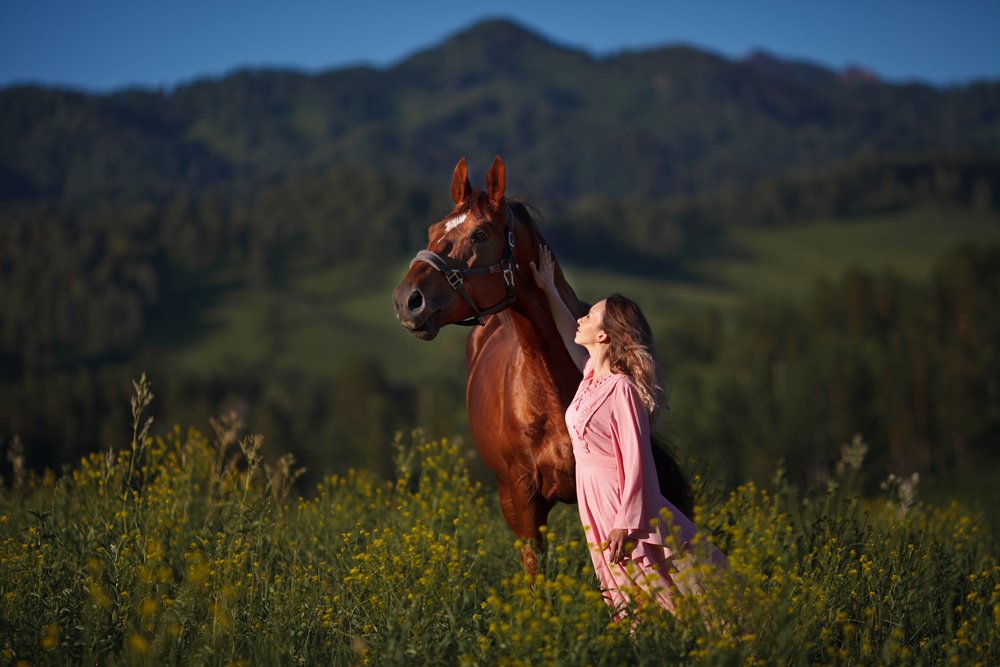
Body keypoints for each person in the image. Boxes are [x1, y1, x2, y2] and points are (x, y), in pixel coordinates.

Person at [530, 244, 726, 617]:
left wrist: (625, 523)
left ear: (604, 336)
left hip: (620, 503)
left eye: (588, 317)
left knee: (667, 586)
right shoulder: (591, 375)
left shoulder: (621, 389)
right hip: (595, 502)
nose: (580, 320)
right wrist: (550, 290)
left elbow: (637, 461)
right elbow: (563, 330)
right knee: (625, 592)